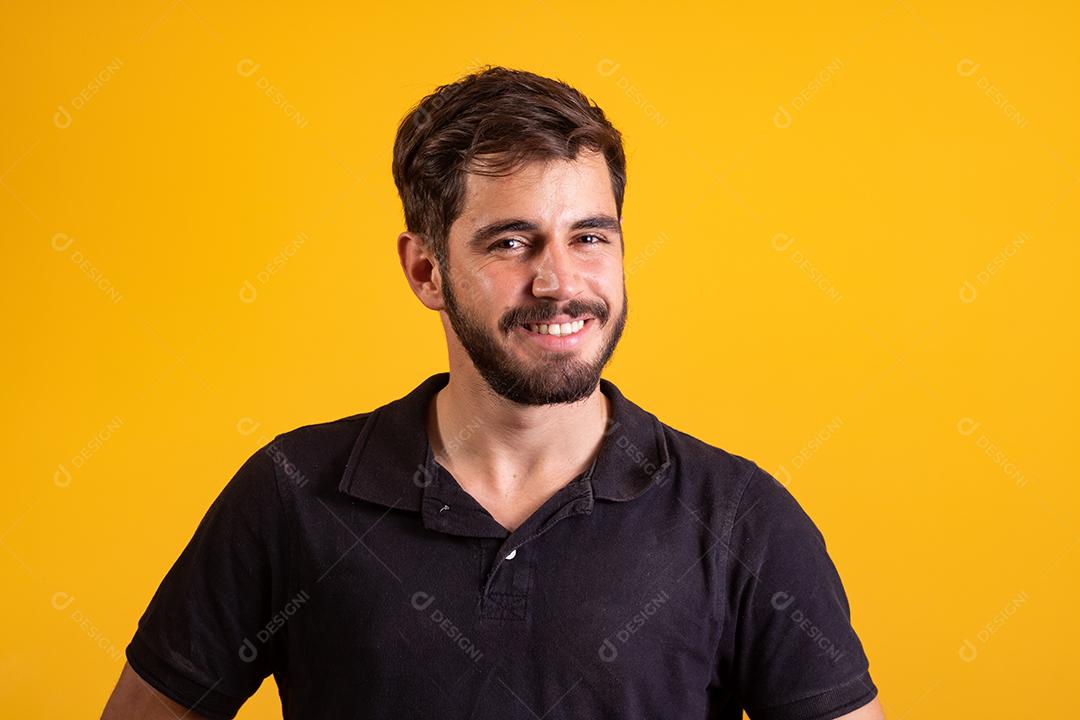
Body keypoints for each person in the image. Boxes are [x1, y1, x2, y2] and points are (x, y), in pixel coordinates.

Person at [102, 66, 884, 720]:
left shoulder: (739, 519)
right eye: (512, 242)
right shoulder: (292, 494)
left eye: (589, 236)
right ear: (426, 271)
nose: (559, 282)